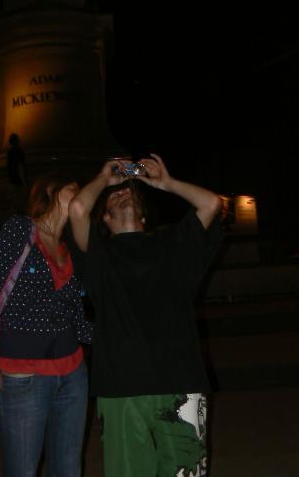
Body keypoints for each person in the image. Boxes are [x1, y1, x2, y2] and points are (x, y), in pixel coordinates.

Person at [68, 154, 223, 477]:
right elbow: (78, 209)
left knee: (186, 472)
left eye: (129, 192)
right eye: (114, 196)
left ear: (143, 216)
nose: (123, 192)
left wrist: (167, 183)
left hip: (180, 384)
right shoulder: (99, 256)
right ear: (105, 219)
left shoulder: (174, 244)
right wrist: (104, 177)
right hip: (120, 389)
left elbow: (210, 203)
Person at [0, 173, 92, 477]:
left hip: (73, 376)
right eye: (74, 189)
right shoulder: (19, 231)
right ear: (50, 192)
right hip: (23, 376)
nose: (82, 197)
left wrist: (119, 337)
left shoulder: (71, 246)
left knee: (68, 469)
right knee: (22, 470)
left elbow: (77, 318)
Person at [6, 133, 28, 214]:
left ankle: (16, 213)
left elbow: (10, 167)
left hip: (12, 179)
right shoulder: (19, 151)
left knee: (15, 200)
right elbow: (20, 166)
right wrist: (24, 181)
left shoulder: (10, 152)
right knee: (21, 200)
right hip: (19, 180)